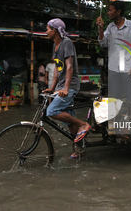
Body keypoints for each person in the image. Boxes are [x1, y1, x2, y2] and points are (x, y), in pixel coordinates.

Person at [42, 18, 91, 158]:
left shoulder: (67, 42)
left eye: (48, 29)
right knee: (69, 122)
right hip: (60, 86)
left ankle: (83, 124)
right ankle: (81, 149)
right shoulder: (55, 46)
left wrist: (66, 89)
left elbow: (69, 67)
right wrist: (52, 88)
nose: (46, 32)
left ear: (55, 30)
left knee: (51, 111)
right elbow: (58, 69)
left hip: (71, 85)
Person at [96, 0, 131, 104]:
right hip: (113, 67)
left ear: (118, 11)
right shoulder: (110, 27)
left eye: (111, 10)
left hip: (128, 67)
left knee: (130, 96)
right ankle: (116, 118)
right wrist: (101, 29)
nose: (108, 13)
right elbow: (103, 43)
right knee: (114, 97)